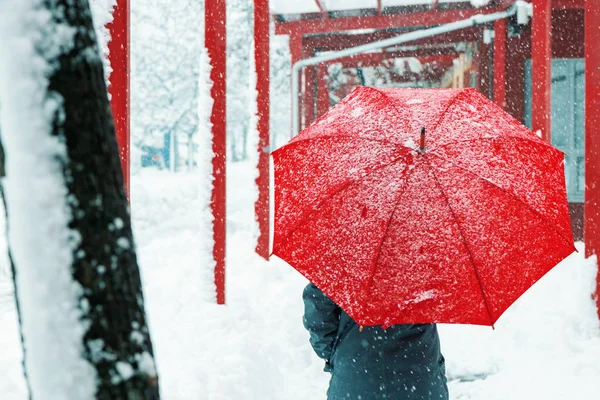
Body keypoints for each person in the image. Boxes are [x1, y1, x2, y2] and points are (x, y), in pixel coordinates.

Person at [303, 282, 448, 400]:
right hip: (420, 374)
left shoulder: (348, 255)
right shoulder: (430, 257)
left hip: (356, 373)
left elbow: (318, 312)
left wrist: (334, 354)